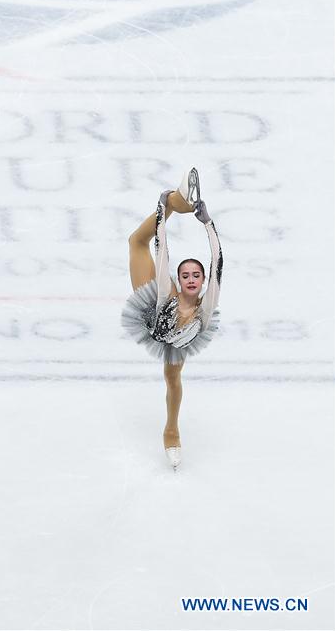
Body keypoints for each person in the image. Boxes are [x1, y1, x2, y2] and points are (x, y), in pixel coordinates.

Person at [121, 168, 223, 470]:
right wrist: (161, 209)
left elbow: (217, 261)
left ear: (203, 281)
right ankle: (176, 200)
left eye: (196, 275)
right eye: (185, 275)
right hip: (152, 313)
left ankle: (171, 432)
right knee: (136, 242)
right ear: (179, 280)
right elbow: (161, 249)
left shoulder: (206, 307)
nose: (191, 279)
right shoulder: (167, 294)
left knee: (172, 379)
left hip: (178, 342)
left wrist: (208, 224)